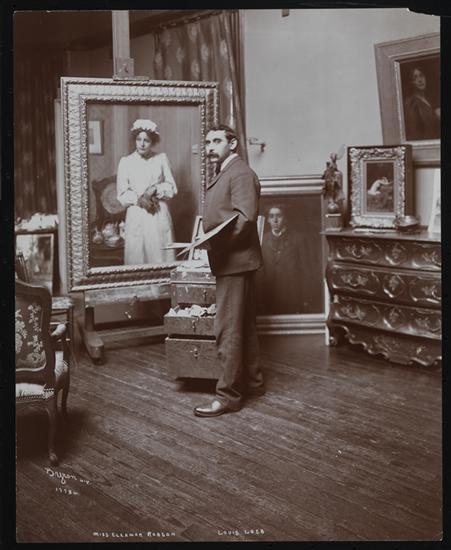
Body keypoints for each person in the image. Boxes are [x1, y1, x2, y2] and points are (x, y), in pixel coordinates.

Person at [194, 124, 265, 417]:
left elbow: (245, 218)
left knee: (228, 329)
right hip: (235, 261)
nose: (210, 147)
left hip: (234, 262)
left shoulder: (240, 173)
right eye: (208, 142)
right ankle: (253, 382)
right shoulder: (226, 171)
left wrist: (216, 246)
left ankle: (228, 396)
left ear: (232, 144)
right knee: (242, 325)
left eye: (217, 141)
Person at [116, 119, 177, 265]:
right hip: (136, 213)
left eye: (146, 140)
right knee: (137, 255)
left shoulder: (161, 159)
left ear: (153, 142)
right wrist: (139, 199)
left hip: (157, 213)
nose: (142, 144)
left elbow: (172, 188)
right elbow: (122, 194)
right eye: (139, 139)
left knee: (159, 254)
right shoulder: (126, 162)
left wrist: (155, 189)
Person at [257, 205, 305, 314]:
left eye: (278, 216)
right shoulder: (262, 240)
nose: (275, 220)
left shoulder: (298, 239)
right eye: (271, 216)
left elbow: (305, 271)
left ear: (285, 218)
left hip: (292, 296)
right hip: (269, 296)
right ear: (268, 220)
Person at [403, 65, 440, 141]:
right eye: (415, 78)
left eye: (421, 76)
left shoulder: (428, 99)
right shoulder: (410, 103)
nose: (420, 80)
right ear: (411, 83)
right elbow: (414, 134)